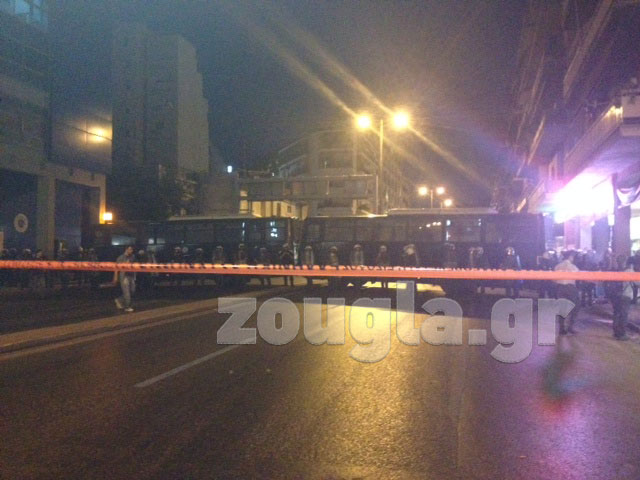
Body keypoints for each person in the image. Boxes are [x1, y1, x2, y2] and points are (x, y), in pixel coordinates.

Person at [554, 250, 580, 335]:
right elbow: (578, 278)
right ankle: (570, 326)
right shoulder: (573, 267)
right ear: (570, 257)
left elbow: (554, 279)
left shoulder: (557, 266)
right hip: (571, 288)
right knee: (575, 307)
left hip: (560, 288)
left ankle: (561, 328)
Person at [610, 255, 634, 341]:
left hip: (616, 295)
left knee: (616, 313)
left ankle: (616, 332)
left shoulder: (616, 271)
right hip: (625, 295)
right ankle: (622, 334)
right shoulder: (629, 271)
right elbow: (637, 283)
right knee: (624, 315)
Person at [114, 246, 136, 312]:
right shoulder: (120, 258)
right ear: (126, 249)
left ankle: (120, 300)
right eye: (130, 249)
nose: (131, 251)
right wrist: (115, 277)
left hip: (131, 275)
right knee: (126, 292)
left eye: (132, 249)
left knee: (132, 290)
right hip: (124, 276)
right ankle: (127, 306)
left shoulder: (133, 257)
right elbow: (116, 267)